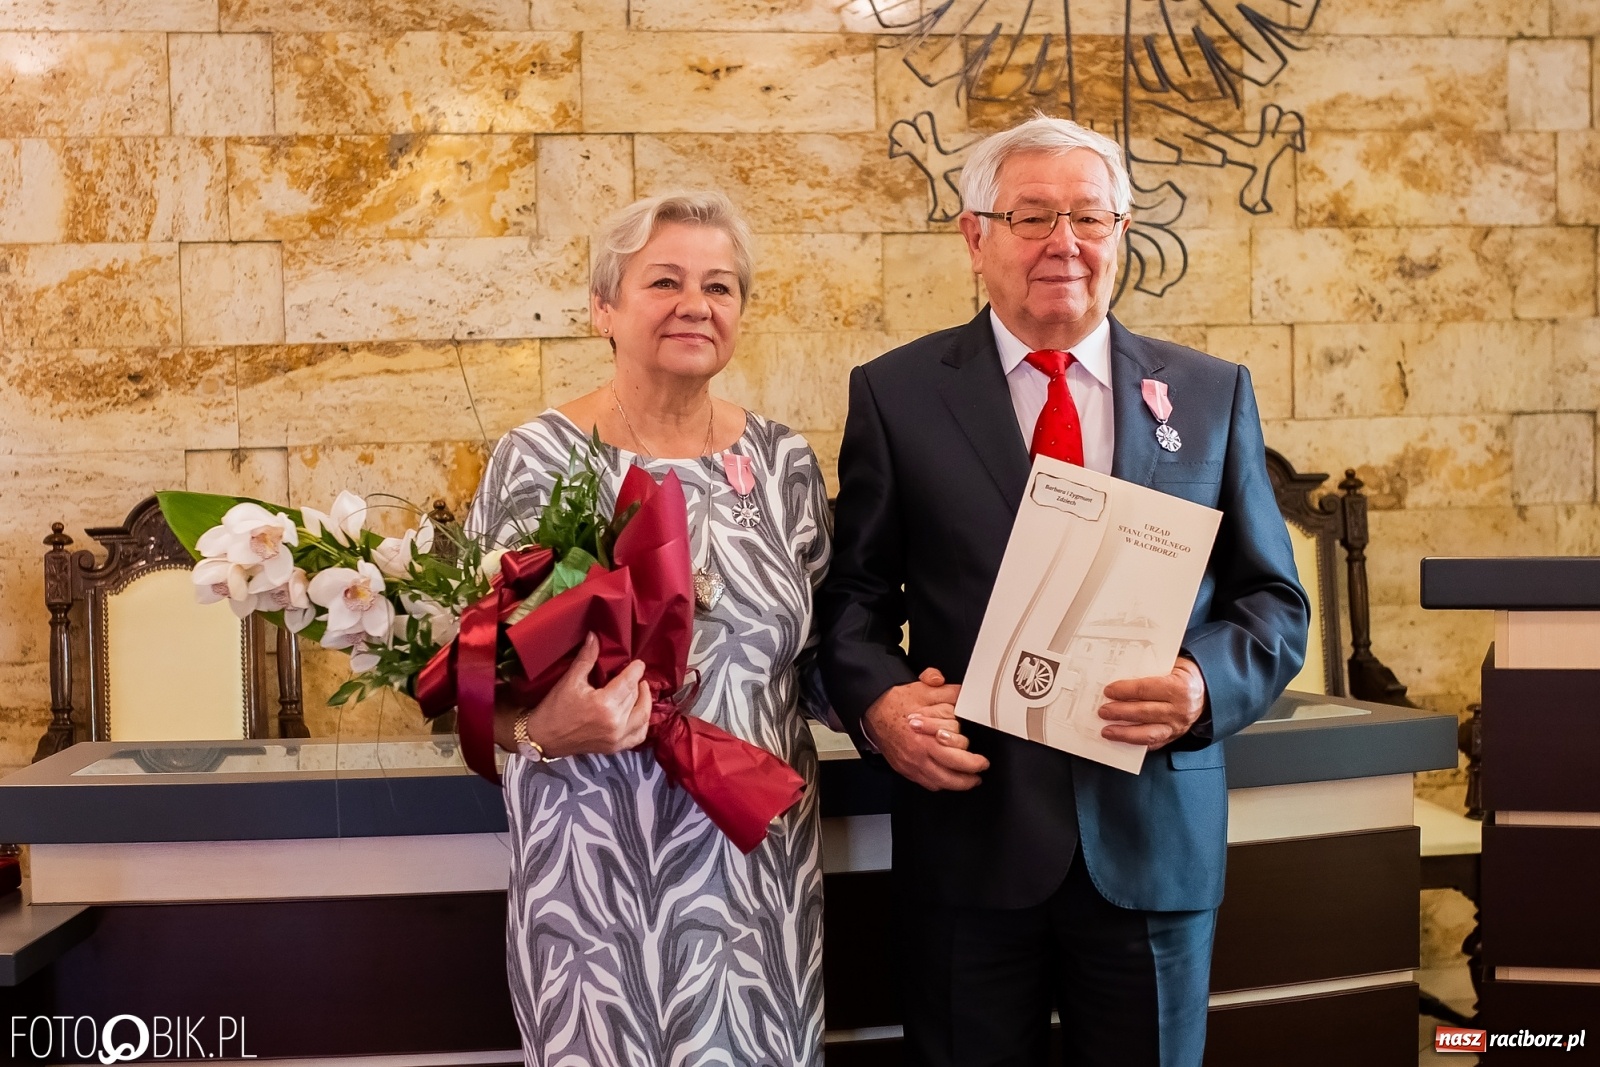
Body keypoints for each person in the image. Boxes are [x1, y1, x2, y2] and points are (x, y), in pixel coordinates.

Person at [817, 116, 1309, 1066]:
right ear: (974, 235)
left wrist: (1204, 684)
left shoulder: (1212, 393)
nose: (1064, 243)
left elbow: (1273, 602)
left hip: (1154, 842)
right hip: (969, 839)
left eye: (1090, 216)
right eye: (1031, 216)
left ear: (1122, 231)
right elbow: (854, 599)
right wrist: (878, 705)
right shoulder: (897, 394)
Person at [467, 191, 832, 1067]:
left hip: (756, 874)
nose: (695, 304)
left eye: (720, 285)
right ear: (604, 306)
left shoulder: (783, 463)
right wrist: (542, 733)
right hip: (594, 885)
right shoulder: (539, 459)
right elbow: (474, 701)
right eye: (663, 280)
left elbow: (817, 663)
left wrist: (907, 692)